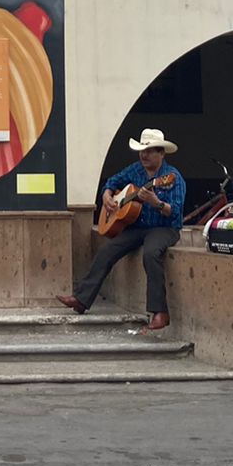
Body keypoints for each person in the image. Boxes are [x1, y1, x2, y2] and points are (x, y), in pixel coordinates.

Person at [58, 128, 185, 332]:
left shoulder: (172, 177)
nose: (144, 155)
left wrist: (156, 203)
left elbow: (176, 212)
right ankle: (81, 300)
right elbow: (112, 182)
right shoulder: (135, 170)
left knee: (151, 254)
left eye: (150, 151)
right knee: (107, 250)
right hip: (137, 227)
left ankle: (160, 312)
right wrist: (107, 196)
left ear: (161, 153)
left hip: (164, 227)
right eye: (142, 150)